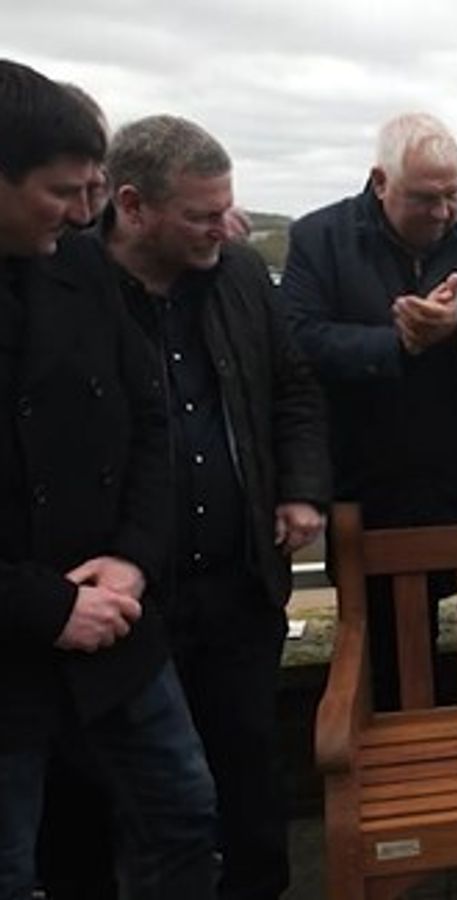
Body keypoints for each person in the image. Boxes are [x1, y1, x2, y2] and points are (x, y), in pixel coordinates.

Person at [98, 114, 330, 900]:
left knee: (248, 764)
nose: (220, 230)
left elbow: (291, 386)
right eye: (199, 216)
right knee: (151, 796)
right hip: (132, 598)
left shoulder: (235, 276)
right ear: (132, 207)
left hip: (238, 577)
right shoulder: (77, 286)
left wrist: (300, 488)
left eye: (225, 210)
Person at [0, 59, 217, 900]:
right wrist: (51, 608)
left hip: (117, 622)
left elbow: (150, 424)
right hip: (18, 639)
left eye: (93, 189)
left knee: (184, 818)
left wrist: (133, 558)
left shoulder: (82, 273)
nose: (85, 212)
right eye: (61, 191)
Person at [283, 112, 457, 708]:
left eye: (453, 194)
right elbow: (298, 344)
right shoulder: (318, 238)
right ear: (380, 182)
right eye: (425, 198)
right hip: (380, 488)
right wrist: (395, 345)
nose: (443, 211)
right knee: (393, 674)